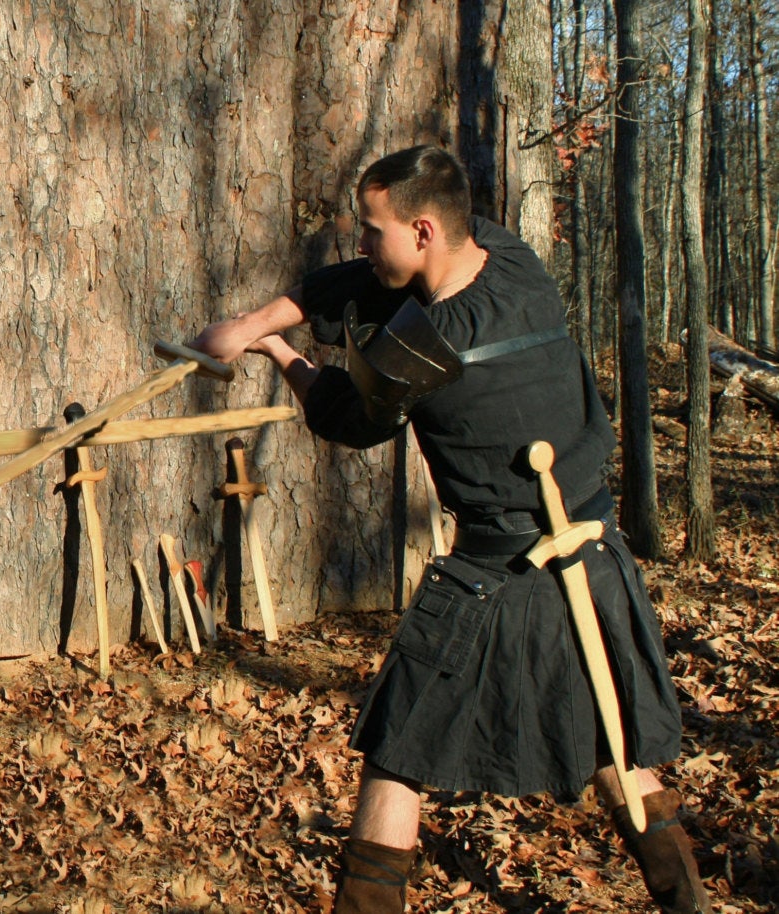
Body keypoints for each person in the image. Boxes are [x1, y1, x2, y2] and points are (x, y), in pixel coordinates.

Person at [191, 146, 710, 914]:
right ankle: (685, 897)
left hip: (496, 575)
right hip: (595, 550)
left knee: (397, 748)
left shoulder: (418, 350)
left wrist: (275, 348)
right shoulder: (515, 262)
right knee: (610, 741)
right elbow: (368, 282)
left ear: (424, 231)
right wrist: (254, 318)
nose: (362, 244)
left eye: (373, 230)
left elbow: (342, 415)